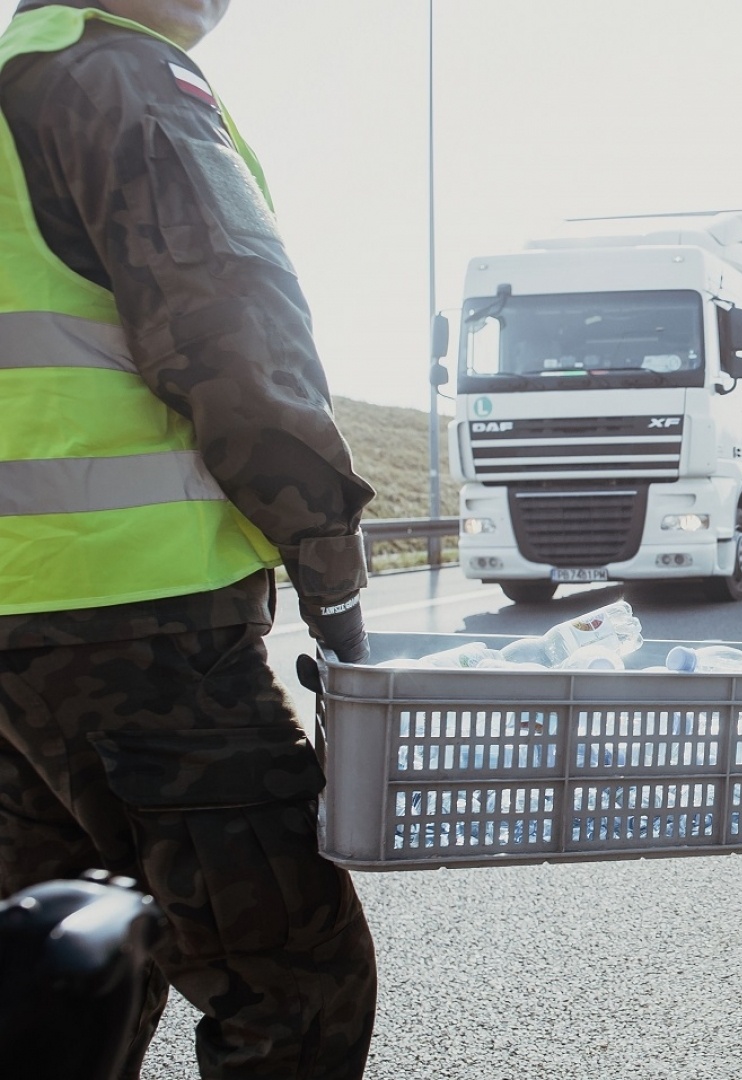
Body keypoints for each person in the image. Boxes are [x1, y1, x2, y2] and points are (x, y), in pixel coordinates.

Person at [0, 1, 378, 1077]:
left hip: (19, 633)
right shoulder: (120, 81)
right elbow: (232, 334)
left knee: (56, 974)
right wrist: (327, 561)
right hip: (138, 624)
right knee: (291, 983)